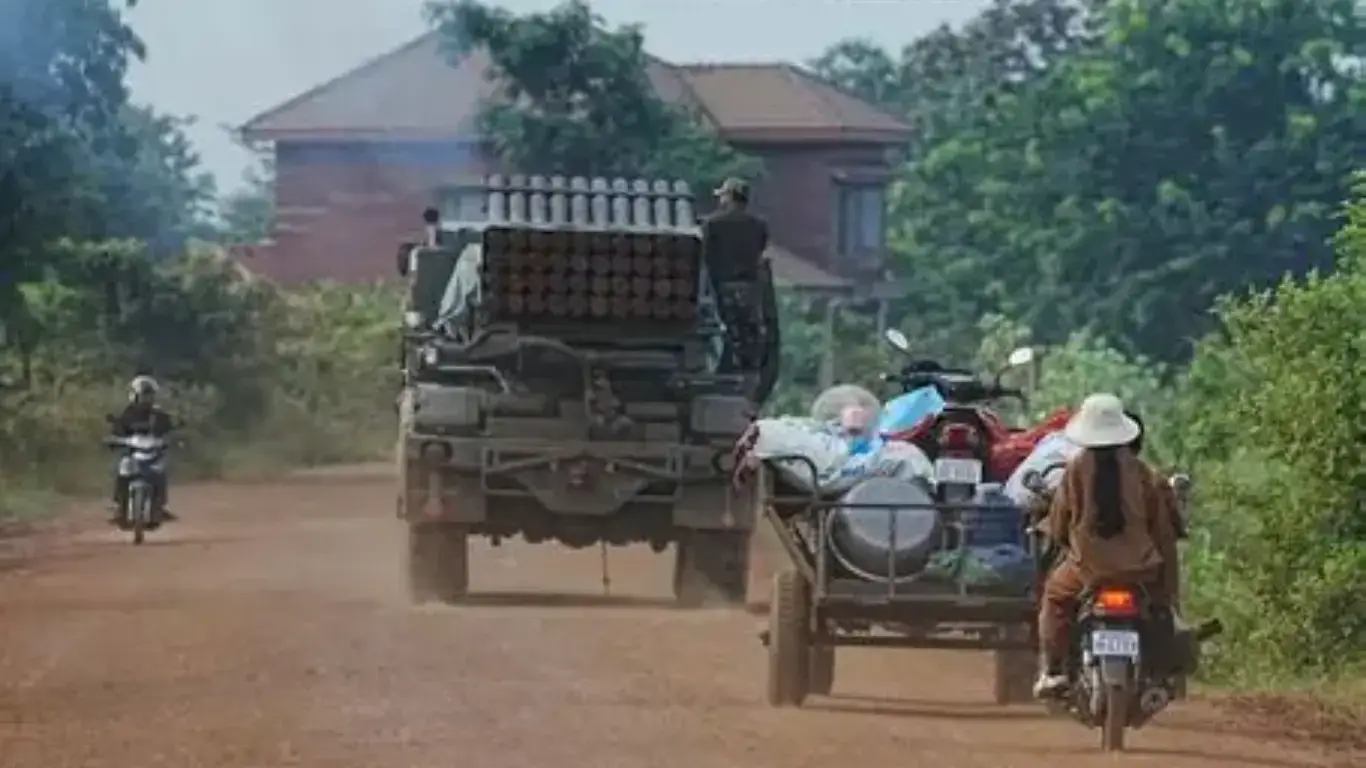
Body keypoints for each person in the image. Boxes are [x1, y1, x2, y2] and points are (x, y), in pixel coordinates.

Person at [1033, 393, 1182, 698]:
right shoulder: (1145, 474)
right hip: (1140, 570)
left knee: (1055, 597)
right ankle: (1160, 673)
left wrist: (1061, 540)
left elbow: (1060, 521)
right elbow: (1163, 530)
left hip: (1087, 570)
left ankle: (1055, 671)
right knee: (1162, 608)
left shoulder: (1075, 469)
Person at [701, 178, 769, 370]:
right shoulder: (759, 225)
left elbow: (705, 256)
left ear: (729, 197)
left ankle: (725, 367)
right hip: (750, 286)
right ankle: (749, 367)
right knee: (750, 330)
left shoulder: (713, 224)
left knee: (725, 330)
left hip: (722, 285)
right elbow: (760, 249)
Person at [108, 375, 177, 524]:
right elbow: (117, 429)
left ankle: (160, 505)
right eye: (143, 395)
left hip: (153, 452)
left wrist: (171, 439)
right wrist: (114, 439)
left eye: (149, 395)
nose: (146, 399)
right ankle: (119, 506)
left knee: (161, 472)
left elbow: (169, 431)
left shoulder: (159, 415)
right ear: (134, 395)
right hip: (132, 453)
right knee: (122, 472)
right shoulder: (127, 413)